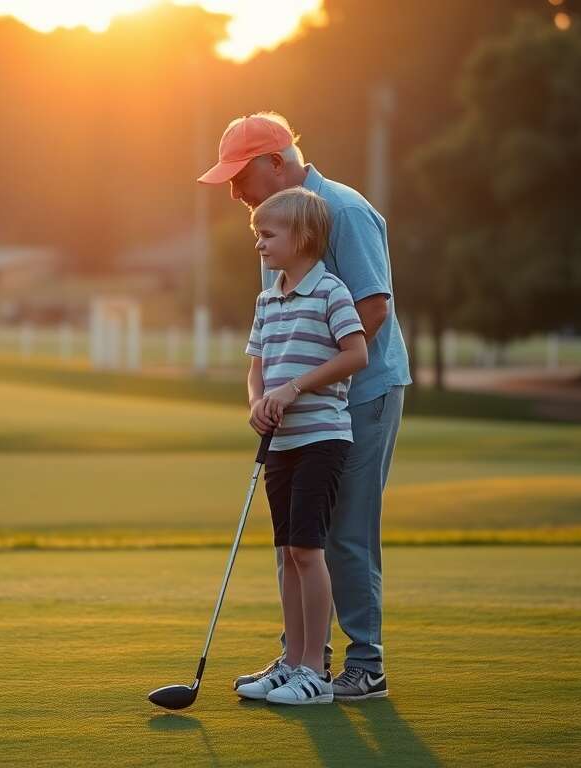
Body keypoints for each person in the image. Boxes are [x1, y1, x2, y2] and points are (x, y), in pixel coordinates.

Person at [200, 113, 411, 701]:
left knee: (343, 532)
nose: (236, 192)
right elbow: (270, 331)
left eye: (241, 177)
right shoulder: (275, 226)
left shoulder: (340, 210)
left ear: (275, 162)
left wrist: (301, 385)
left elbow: (372, 311)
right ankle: (303, 659)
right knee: (296, 533)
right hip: (298, 406)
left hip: (362, 395)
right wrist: (266, 393)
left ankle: (364, 663)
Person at [233, 187, 368, 705]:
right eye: (257, 236)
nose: (260, 245)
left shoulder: (331, 292)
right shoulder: (268, 298)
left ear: (303, 237)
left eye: (268, 235)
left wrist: (294, 388)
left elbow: (355, 353)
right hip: (281, 442)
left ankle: (315, 670)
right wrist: (256, 402)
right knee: (288, 552)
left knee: (309, 551)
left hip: (321, 438)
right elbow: (256, 367)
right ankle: (291, 662)